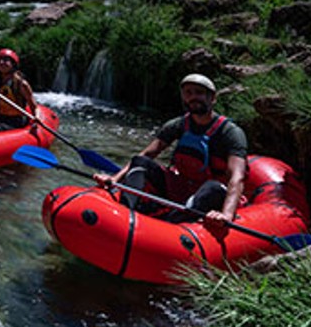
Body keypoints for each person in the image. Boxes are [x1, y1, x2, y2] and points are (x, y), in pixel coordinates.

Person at [93, 73, 247, 237]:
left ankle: (168, 227)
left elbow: (237, 177)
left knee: (212, 188)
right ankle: (124, 214)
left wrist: (226, 215)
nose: (193, 97)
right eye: (188, 93)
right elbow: (146, 154)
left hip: (213, 192)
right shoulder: (178, 125)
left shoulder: (230, 133)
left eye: (199, 92)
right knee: (140, 162)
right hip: (183, 187)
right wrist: (114, 180)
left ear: (212, 98)